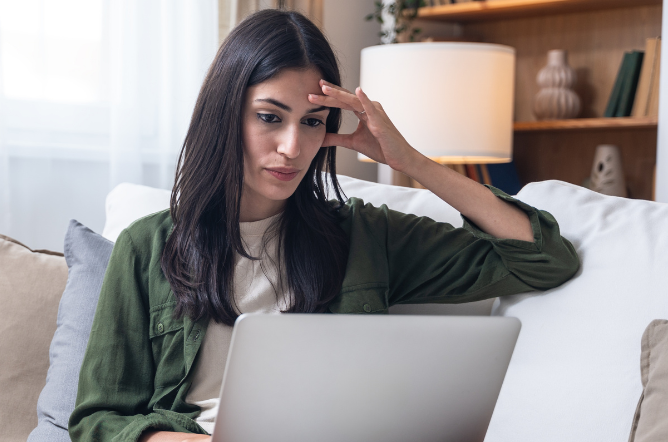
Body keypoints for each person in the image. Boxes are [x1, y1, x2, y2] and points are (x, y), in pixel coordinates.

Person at [67, 9, 580, 442]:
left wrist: (412, 161)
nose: (293, 148)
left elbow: (542, 259)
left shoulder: (364, 236)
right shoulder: (148, 246)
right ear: (226, 115)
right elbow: (97, 420)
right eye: (270, 117)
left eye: (312, 122)